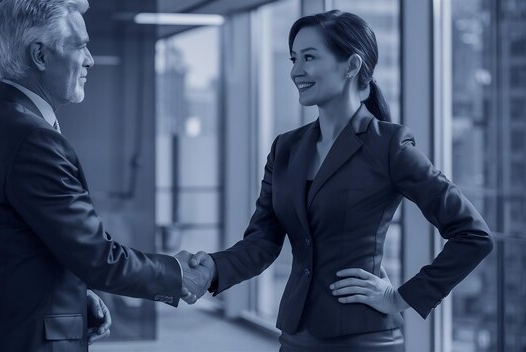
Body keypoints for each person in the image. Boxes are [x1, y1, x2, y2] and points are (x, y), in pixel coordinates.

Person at [187, 10, 494, 351]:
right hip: (295, 334)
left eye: (309, 57)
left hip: (363, 338)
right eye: (293, 58)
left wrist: (400, 297)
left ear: (351, 65)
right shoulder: (285, 148)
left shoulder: (388, 145)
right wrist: (212, 267)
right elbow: (262, 242)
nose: (295, 70)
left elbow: (473, 235)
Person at [0, 1, 211, 351]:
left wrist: (71, 297)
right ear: (40, 55)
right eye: (79, 45)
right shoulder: (30, 139)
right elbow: (98, 257)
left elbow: (11, 247)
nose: (90, 59)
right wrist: (177, 274)